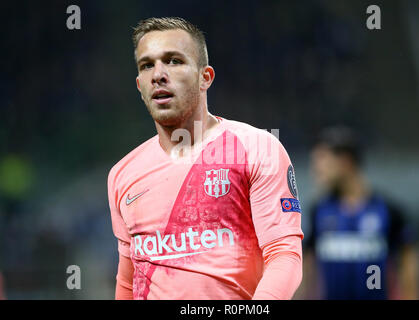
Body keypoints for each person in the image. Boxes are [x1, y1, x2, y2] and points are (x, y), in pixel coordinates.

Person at [107, 17, 304, 300]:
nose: (158, 74)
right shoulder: (122, 174)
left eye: (173, 61)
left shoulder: (257, 148)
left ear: (205, 77)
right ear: (140, 85)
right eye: (147, 65)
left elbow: (284, 256)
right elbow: (128, 280)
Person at [298, 126, 419, 299]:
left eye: (322, 162)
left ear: (345, 162)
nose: (316, 171)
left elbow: (409, 264)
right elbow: (304, 269)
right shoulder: (318, 211)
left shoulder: (388, 211)